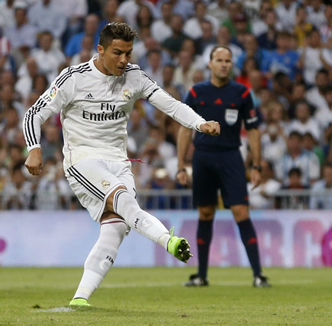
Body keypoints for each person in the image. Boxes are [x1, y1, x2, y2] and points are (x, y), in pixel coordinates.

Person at [22, 22, 220, 307]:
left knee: (117, 227)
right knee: (124, 200)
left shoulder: (134, 76)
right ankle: (168, 241)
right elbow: (34, 114)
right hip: (83, 160)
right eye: (117, 53)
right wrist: (35, 148)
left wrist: (200, 123)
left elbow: (171, 104)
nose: (124, 60)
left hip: (119, 160)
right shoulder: (73, 78)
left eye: (128, 53)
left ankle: (80, 299)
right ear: (100, 50)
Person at [176, 45, 271, 288]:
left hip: (231, 157)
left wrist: (257, 165)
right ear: (210, 64)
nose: (224, 64)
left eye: (228, 60)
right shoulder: (196, 93)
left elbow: (253, 130)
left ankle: (258, 275)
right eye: (219, 60)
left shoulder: (242, 93)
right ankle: (201, 275)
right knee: (205, 213)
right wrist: (180, 165)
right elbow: (185, 129)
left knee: (241, 212)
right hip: (204, 157)